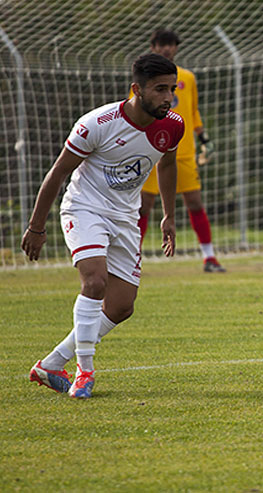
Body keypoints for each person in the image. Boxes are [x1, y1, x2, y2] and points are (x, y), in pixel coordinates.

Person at [24, 53, 183, 398]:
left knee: (122, 306)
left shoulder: (172, 124)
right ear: (136, 90)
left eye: (171, 89)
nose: (168, 98)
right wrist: (37, 227)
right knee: (94, 282)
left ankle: (51, 364)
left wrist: (168, 214)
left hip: (126, 216)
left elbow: (167, 165)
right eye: (159, 90)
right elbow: (57, 174)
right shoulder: (96, 124)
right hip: (86, 208)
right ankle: (85, 371)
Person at [137, 29, 225, 272]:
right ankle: (133, 257)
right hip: (152, 150)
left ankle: (209, 257)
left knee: (195, 202)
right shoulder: (143, 81)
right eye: (161, 44)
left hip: (183, 151)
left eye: (171, 45)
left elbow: (193, 111)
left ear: (176, 48)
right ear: (153, 47)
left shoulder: (187, 77)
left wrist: (203, 137)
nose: (167, 49)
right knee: (144, 206)